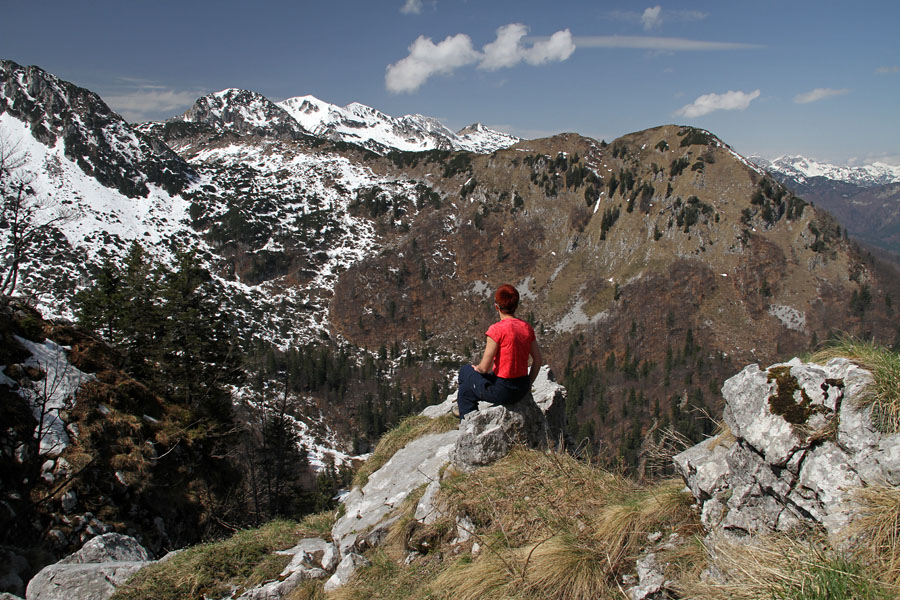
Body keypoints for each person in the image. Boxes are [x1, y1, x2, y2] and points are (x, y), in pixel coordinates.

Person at [455, 284, 543, 418]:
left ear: (497, 307)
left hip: (503, 390)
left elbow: (484, 368)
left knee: (465, 373)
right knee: (468, 385)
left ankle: (468, 419)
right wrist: (528, 384)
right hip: (522, 387)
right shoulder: (526, 328)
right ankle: (465, 411)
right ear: (516, 306)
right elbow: (538, 360)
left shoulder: (496, 330)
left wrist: (475, 369)